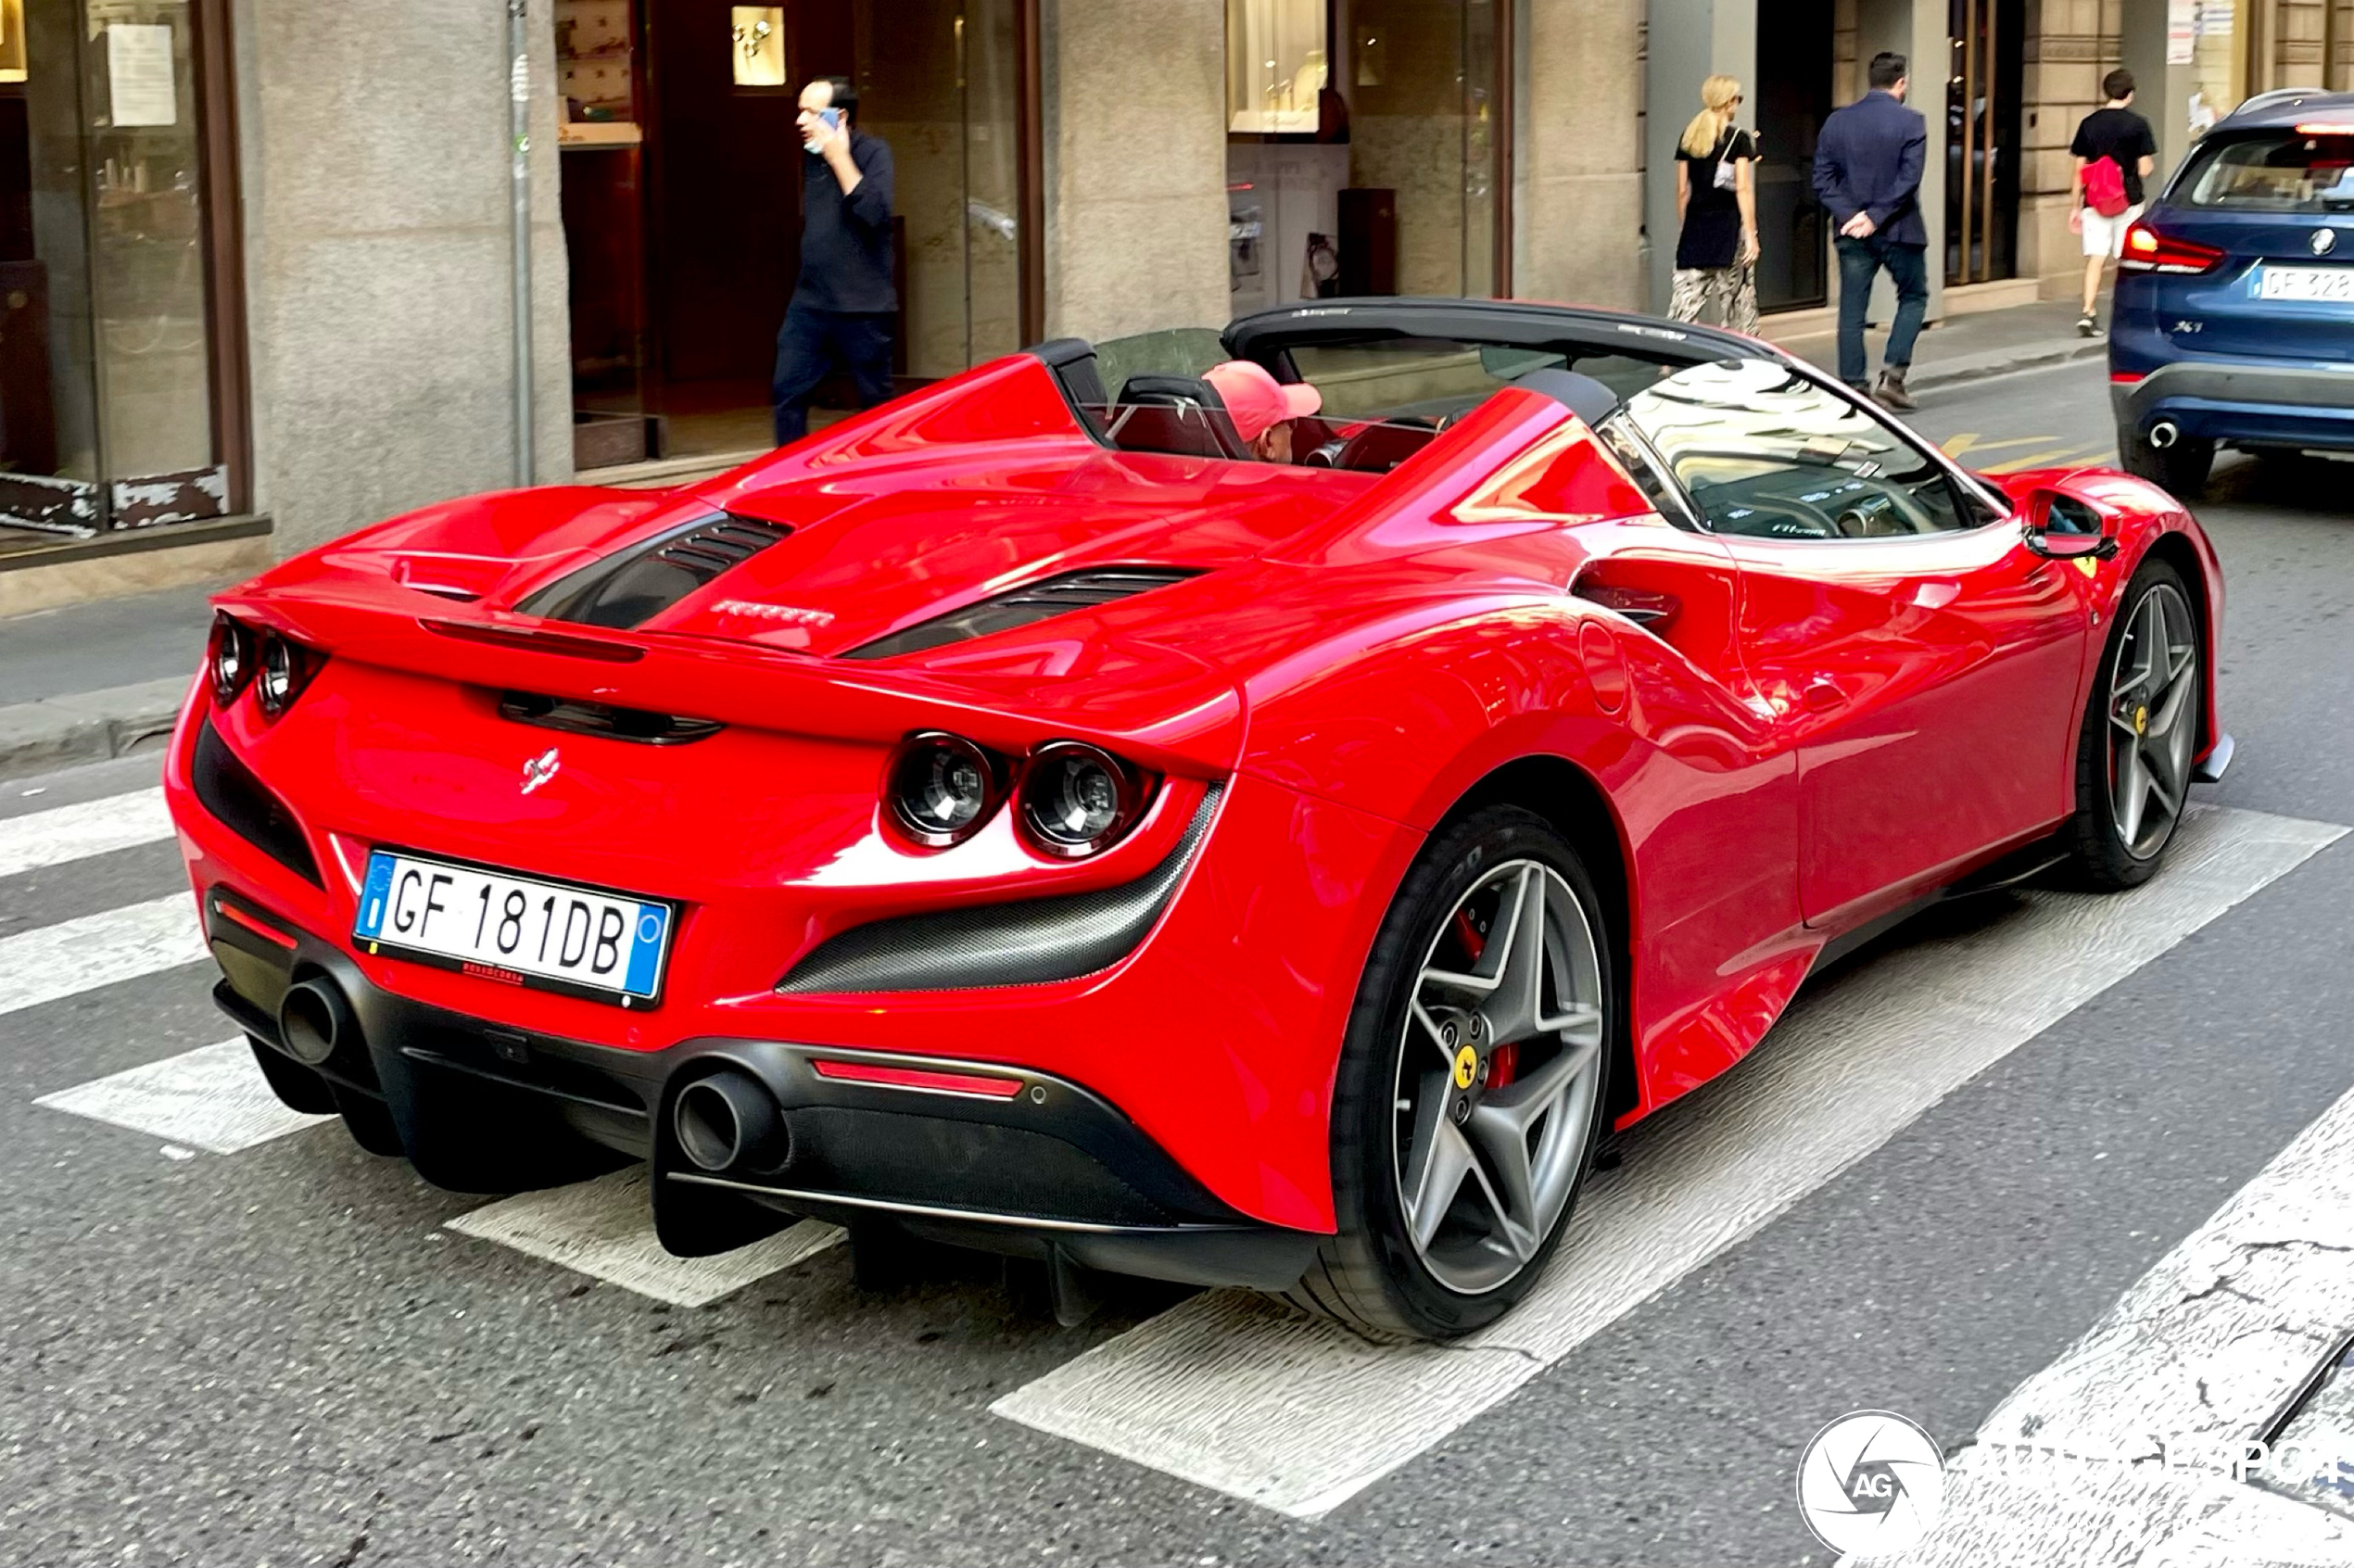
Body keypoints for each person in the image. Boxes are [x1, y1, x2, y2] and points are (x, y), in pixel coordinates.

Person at [770, 76, 896, 447]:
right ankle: (789, 482)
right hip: (810, 304)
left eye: (811, 112)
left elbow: (874, 213)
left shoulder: (874, 153)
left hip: (863, 307)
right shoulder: (809, 158)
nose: (800, 121)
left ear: (839, 117)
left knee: (876, 407)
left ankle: (878, 481)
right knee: (787, 391)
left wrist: (839, 156)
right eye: (800, 111)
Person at [1812, 52, 1930, 411]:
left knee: (1852, 309)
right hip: (1898, 228)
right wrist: (1875, 217)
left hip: (1851, 231)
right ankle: (1893, 377)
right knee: (1913, 296)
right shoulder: (1912, 122)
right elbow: (1908, 180)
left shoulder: (1837, 122)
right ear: (1901, 82)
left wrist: (1852, 215)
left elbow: (1822, 179)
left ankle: (1854, 387)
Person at [1669, 75, 1761, 334]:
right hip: (1728, 226)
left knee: (1685, 300)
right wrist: (1751, 234)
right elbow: (1743, 188)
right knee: (1736, 299)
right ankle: (1738, 353)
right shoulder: (1739, 139)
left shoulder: (1689, 137)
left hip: (1696, 226)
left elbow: (1681, 190)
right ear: (1729, 102)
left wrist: (1684, 225)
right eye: (1737, 99)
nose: (1738, 104)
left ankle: (1668, 358)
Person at [2070, 70, 2158, 337]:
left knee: (2096, 258)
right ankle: (2128, 315)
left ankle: (2088, 313)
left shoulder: (2088, 124)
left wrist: (2075, 205)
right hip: (2128, 200)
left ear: (2106, 92)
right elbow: (2144, 169)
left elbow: (2079, 170)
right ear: (2130, 94)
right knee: (2128, 259)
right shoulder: (2138, 125)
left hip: (2094, 201)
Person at [1202, 360, 1322, 463]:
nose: (1294, 426)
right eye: (1289, 422)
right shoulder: (1295, 490)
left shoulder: (1193, 486)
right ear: (1267, 443)